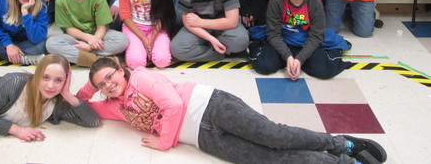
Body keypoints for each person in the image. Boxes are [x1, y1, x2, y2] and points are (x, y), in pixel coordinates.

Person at [78, 57, 388, 164]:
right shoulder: (115, 107)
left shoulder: (140, 77)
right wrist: (90, 87)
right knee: (271, 159)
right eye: (102, 84)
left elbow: (173, 105)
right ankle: (343, 162)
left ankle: (341, 143)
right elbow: (81, 105)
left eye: (110, 77)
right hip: (204, 138)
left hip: (211, 107)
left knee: (273, 136)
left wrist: (163, 142)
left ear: (120, 70)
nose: (109, 85)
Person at [249, 0, 350, 80]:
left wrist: (300, 59)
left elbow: (316, 36)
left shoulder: (314, 2)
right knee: (264, 66)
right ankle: (289, 60)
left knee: (323, 70)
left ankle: (302, 60)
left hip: (305, 41)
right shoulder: (276, 0)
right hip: (284, 39)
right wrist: (288, 57)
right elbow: (273, 34)